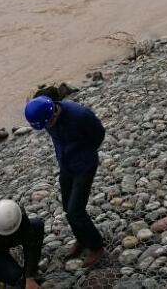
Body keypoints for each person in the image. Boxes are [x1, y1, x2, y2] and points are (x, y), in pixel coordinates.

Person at [24, 95, 106, 267]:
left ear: (54, 113)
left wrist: (85, 154)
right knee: (67, 208)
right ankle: (81, 239)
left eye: (47, 124)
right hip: (66, 166)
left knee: (76, 210)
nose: (47, 128)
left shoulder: (80, 115)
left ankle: (96, 247)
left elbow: (99, 134)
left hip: (84, 166)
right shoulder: (46, 118)